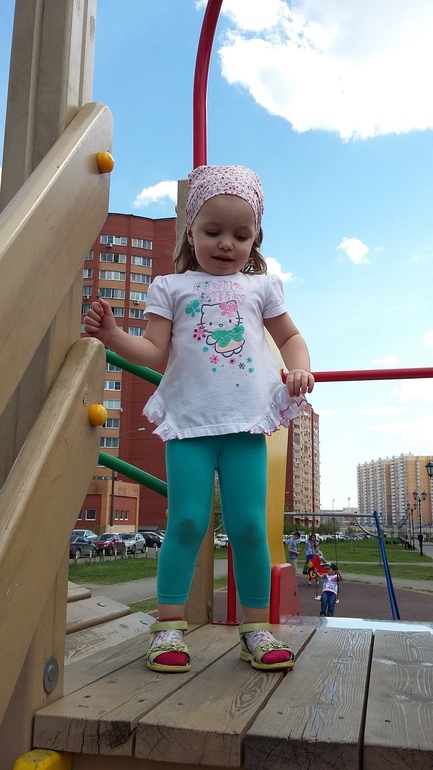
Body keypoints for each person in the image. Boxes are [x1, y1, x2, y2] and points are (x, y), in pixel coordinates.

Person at [84, 164, 314, 674]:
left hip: (245, 424)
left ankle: (256, 628)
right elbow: (153, 352)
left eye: (241, 235)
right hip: (190, 423)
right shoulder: (170, 286)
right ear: (190, 232)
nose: (226, 243)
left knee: (249, 526)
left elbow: (291, 337)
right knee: (187, 520)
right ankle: (169, 626)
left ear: (254, 239)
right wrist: (114, 336)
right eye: (213, 231)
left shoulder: (262, 288)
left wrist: (298, 367)